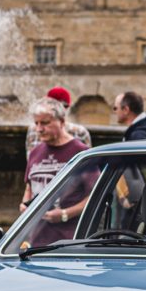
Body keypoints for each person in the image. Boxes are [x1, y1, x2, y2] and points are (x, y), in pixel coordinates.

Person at [21, 97, 90, 241]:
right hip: (37, 241)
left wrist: (65, 214)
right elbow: (29, 187)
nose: (39, 129)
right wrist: (24, 206)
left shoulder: (81, 152)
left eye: (45, 123)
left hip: (70, 243)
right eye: (36, 123)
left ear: (62, 121)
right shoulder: (35, 152)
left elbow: (95, 195)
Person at [24, 86, 91, 153]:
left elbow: (88, 158)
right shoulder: (34, 129)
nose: (39, 129)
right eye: (54, 106)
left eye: (64, 106)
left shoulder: (79, 131)